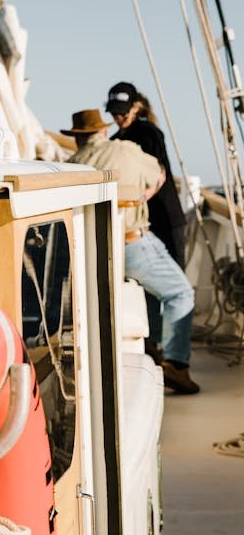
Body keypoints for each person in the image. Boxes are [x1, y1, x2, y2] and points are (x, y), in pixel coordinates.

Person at [63, 108, 199, 394]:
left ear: (77, 138)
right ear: (102, 131)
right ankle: (175, 363)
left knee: (150, 291)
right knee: (180, 294)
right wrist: (143, 195)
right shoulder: (125, 150)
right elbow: (159, 175)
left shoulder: (73, 163)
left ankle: (151, 350)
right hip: (133, 244)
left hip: (97, 251)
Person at [106, 82, 186, 363]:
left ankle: (172, 354)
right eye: (114, 113)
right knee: (149, 288)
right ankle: (155, 348)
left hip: (165, 220)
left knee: (173, 289)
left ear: (136, 108)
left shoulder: (149, 133)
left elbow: (158, 172)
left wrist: (141, 196)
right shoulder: (117, 139)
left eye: (122, 112)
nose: (118, 117)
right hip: (143, 223)